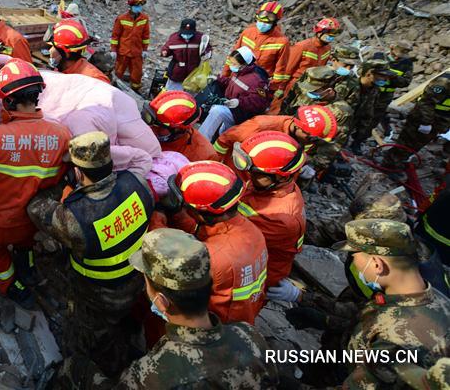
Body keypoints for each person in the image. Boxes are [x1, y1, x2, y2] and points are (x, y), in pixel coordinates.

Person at [27, 131, 158, 378]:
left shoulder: (77, 218)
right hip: (138, 280)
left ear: (78, 172)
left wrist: (61, 185)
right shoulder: (138, 184)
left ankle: (99, 366)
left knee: (92, 335)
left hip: (98, 294)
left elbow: (36, 209)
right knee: (122, 320)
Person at [113, 227, 278, 389]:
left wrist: (88, 370)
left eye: (147, 284)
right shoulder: (249, 336)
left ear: (162, 301)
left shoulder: (149, 376)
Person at [0, 59, 70, 305]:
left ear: (7, 101)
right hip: (35, 217)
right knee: (24, 242)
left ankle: (12, 285)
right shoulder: (61, 134)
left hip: (2, 220)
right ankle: (26, 266)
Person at [335, 218, 450, 389]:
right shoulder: (440, 299)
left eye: (355, 257)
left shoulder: (392, 336)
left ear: (377, 265)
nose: (354, 264)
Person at [162, 162, 269, 325]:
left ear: (202, 213)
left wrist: (157, 220)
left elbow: (163, 260)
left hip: (213, 325)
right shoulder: (250, 230)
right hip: (241, 317)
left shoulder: (212, 258)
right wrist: (178, 215)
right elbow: (203, 231)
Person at [231, 131, 306, 290]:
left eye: (256, 172)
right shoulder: (265, 184)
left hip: (255, 275)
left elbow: (233, 238)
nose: (249, 175)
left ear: (280, 177)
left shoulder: (282, 219)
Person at [213, 104, 338, 166]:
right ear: (297, 126)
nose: (311, 143)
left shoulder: (303, 138)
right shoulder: (261, 125)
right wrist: (216, 163)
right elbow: (225, 139)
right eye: (310, 138)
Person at [382, 72, 450, 172]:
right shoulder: (444, 82)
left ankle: (399, 161)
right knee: (407, 143)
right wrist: (426, 123)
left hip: (438, 122)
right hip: (424, 119)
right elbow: (426, 102)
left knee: (416, 145)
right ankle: (389, 166)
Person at [198, 47, 270, 140]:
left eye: (234, 63)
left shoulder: (257, 81)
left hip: (240, 114)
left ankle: (201, 139)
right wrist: (217, 78)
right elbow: (231, 83)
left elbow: (259, 103)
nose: (231, 65)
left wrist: (239, 102)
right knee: (222, 133)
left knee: (217, 111)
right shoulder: (239, 72)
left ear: (244, 64)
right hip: (230, 106)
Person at [225, 1, 290, 98]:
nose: (263, 23)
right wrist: (225, 75)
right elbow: (233, 55)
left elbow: (280, 70)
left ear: (275, 22)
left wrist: (271, 90)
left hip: (258, 83)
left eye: (267, 21)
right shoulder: (248, 32)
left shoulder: (281, 42)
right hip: (238, 76)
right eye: (261, 19)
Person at [142, 91, 216, 162]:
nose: (152, 129)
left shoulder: (202, 156)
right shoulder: (143, 129)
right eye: (147, 119)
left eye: (161, 127)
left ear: (180, 130)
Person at [282, 17, 339, 95]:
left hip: (314, 86)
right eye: (329, 33)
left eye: (333, 34)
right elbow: (287, 69)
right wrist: (281, 88)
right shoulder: (302, 46)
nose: (331, 37)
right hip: (297, 84)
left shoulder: (327, 48)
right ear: (319, 32)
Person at [349, 59, 394, 154]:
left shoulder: (375, 89)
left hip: (363, 116)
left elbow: (372, 107)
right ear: (369, 74)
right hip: (347, 118)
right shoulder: (350, 86)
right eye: (382, 76)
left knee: (365, 126)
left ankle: (356, 143)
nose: (385, 80)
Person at [111, 0, 150, 92]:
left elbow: (145, 36)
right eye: (137, 6)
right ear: (131, 6)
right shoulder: (121, 19)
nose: (139, 8)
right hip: (123, 52)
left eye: (140, 6)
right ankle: (114, 90)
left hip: (137, 52)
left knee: (137, 74)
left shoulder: (144, 19)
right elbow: (115, 36)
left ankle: (135, 91)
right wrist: (113, 50)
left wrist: (145, 49)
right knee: (118, 72)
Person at [160, 18, 212, 91]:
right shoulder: (174, 38)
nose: (187, 36)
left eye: (189, 34)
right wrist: (164, 52)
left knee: (189, 96)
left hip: (193, 73)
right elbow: (166, 48)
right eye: (185, 33)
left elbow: (207, 48)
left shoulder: (200, 38)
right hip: (177, 73)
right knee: (172, 94)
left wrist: (208, 54)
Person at [374, 41, 414, 134]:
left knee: (378, 115)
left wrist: (394, 77)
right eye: (395, 55)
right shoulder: (379, 57)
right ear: (391, 49)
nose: (397, 57)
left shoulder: (407, 64)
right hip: (371, 90)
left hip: (385, 95)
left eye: (400, 56)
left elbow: (405, 82)